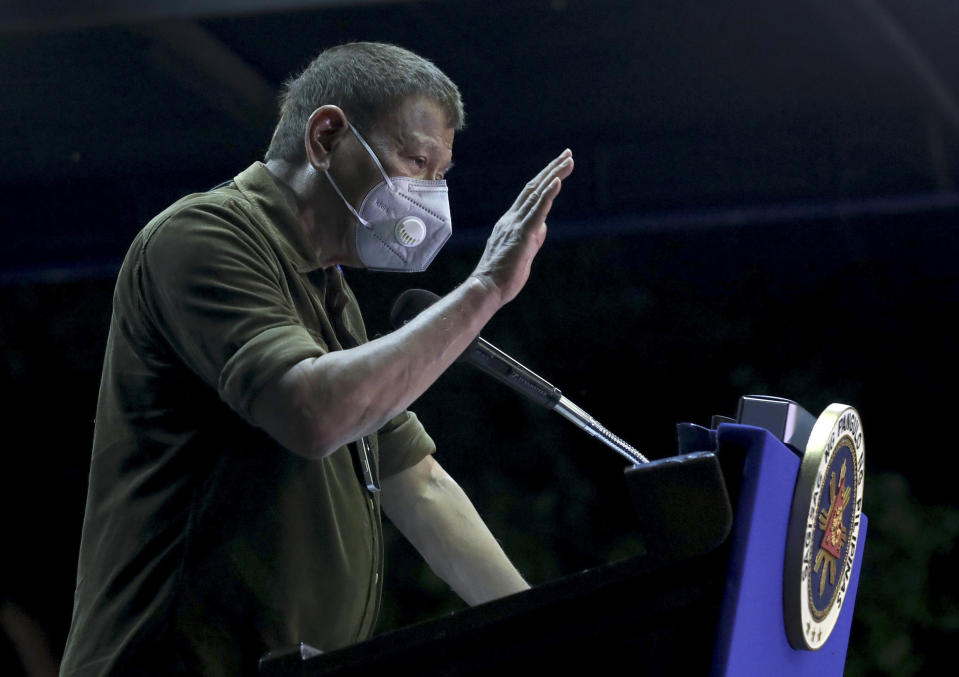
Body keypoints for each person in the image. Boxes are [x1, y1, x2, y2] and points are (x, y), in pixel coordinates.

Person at [60, 41, 573, 676]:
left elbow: (417, 483)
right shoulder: (203, 236)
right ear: (327, 137)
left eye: (440, 175)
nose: (430, 195)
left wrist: (558, 634)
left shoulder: (329, 294)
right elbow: (313, 414)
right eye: (416, 161)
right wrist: (486, 288)